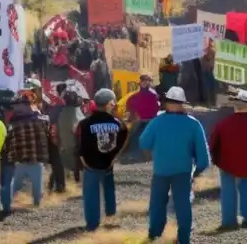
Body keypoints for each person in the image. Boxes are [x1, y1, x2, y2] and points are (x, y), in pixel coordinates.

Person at [139, 86, 211, 244]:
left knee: (157, 202)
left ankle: (154, 235)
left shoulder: (157, 121)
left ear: (166, 103)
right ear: (182, 103)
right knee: (183, 204)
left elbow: (144, 142)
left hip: (161, 169)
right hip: (183, 171)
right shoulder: (193, 124)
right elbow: (203, 156)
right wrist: (197, 171)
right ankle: (184, 238)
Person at [208, 90, 247, 231]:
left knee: (228, 190)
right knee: (245, 187)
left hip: (226, 163)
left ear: (235, 106)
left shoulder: (223, 123)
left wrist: (216, 159)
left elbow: (213, 143)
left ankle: (229, 222)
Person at [76, 88, 128, 232]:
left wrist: (83, 160)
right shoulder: (117, 123)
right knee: (109, 189)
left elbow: (81, 144)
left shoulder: (85, 123)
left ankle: (92, 224)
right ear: (109, 104)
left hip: (91, 163)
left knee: (91, 194)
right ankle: (111, 216)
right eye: (113, 102)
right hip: (108, 162)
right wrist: (115, 156)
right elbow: (123, 139)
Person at [2, 95, 51, 209]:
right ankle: (36, 204)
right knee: (37, 187)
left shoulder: (13, 123)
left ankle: (6, 205)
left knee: (14, 185)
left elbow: (8, 141)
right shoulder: (41, 120)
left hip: (20, 159)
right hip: (35, 158)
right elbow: (47, 129)